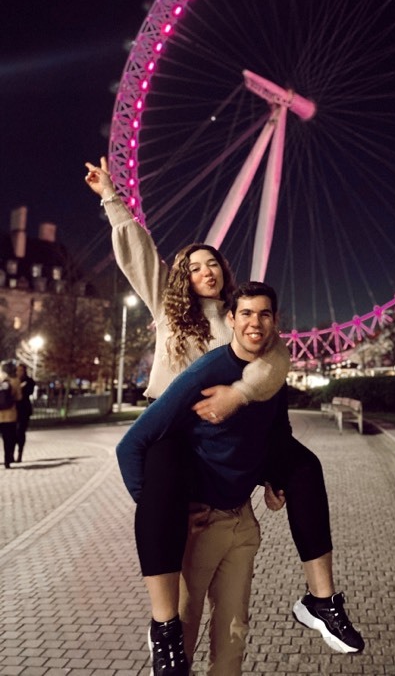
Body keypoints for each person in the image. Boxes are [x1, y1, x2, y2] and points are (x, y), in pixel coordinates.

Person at [84, 159, 364, 666]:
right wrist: (111, 199)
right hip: (177, 427)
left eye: (211, 263)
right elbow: (139, 255)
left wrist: (266, 454)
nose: (204, 271)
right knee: (164, 484)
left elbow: (275, 365)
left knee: (305, 469)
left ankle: (321, 599)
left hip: (238, 428)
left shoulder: (243, 319)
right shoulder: (169, 312)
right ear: (179, 278)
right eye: (193, 266)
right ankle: (164, 624)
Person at [117, 282, 288, 675]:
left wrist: (272, 478)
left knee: (233, 638)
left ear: (276, 321)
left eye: (264, 314)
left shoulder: (273, 376)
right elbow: (131, 445)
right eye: (245, 314)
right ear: (230, 320)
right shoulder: (206, 372)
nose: (255, 323)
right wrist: (161, 512)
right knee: (182, 643)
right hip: (202, 526)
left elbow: (268, 433)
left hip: (243, 524)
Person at [0, 362, 21, 469]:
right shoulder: (15, 381)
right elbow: (19, 397)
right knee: (8, 439)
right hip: (10, 415)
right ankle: (7, 460)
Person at [14, 363, 35, 463]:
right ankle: (11, 454)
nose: (19, 372)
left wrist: (20, 388)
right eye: (18, 370)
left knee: (21, 432)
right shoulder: (13, 380)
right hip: (14, 409)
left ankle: (20, 453)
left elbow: (29, 392)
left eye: (21, 370)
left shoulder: (29, 381)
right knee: (12, 433)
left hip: (24, 409)